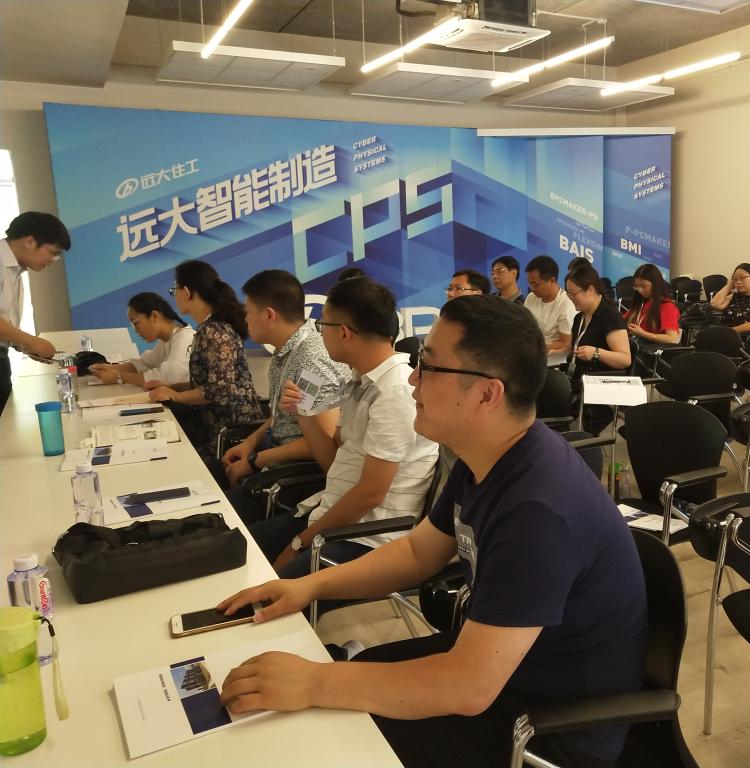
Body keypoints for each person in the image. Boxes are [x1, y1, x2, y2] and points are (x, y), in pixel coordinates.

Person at [218, 295, 647, 768]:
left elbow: (466, 688)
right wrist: (309, 585)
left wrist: (314, 681)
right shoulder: (486, 455)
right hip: (497, 672)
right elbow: (418, 552)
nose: (413, 380)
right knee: (324, 702)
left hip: (543, 724)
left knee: (319, 738)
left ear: (486, 394)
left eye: (429, 366)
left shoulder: (538, 511)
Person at [245, 276, 438, 578]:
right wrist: (305, 415)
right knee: (242, 552)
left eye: (323, 325)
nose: (319, 333)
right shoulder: (360, 382)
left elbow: (370, 494)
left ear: (344, 332)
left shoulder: (394, 392)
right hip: (332, 514)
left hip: (366, 538)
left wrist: (300, 542)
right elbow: (333, 462)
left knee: (267, 586)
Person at [219, 270, 350, 514]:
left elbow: (322, 442)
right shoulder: (288, 349)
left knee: (219, 513)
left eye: (247, 312)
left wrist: (255, 460)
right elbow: (285, 415)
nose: (245, 319)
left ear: (269, 315)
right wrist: (251, 442)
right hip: (275, 456)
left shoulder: (311, 360)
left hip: (297, 473)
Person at [146, 260, 262, 461]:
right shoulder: (208, 328)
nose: (174, 296)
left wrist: (175, 396)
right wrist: (171, 387)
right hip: (215, 425)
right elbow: (208, 382)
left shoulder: (214, 332)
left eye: (175, 290)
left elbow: (220, 390)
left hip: (230, 433)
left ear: (187, 292)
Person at [0, 212, 70, 413]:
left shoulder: (14, 269)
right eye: (52, 252)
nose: (53, 260)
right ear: (30, 241)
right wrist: (31, 340)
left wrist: (24, 344)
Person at [565, 264, 631, 435]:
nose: (570, 298)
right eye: (568, 294)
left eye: (573, 294)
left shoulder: (610, 317)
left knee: (555, 401)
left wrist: (596, 352)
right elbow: (570, 347)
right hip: (578, 379)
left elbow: (625, 359)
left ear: (591, 290)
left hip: (600, 383)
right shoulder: (579, 317)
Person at [88, 292, 195, 387]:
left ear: (154, 316)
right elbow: (146, 363)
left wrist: (118, 376)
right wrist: (110, 368)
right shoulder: (167, 339)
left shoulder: (185, 338)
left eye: (135, 323)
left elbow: (168, 377)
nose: (135, 330)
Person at [523, 255, 576, 365]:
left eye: (535, 284)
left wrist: (535, 348)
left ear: (552, 281)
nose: (532, 288)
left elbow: (565, 344)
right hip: (530, 357)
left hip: (554, 363)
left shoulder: (566, 304)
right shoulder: (531, 297)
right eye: (529, 283)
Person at [623, 264, 681, 345]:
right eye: (636, 286)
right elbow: (622, 320)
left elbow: (671, 339)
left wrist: (642, 334)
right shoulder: (641, 304)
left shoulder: (667, 307)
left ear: (656, 284)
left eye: (644, 286)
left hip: (653, 349)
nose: (639, 290)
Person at [710, 263, 750, 333]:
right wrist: (730, 284)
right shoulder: (734, 296)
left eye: (742, 278)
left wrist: (728, 331)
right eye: (735, 279)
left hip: (741, 338)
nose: (738, 282)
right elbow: (714, 304)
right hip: (722, 335)